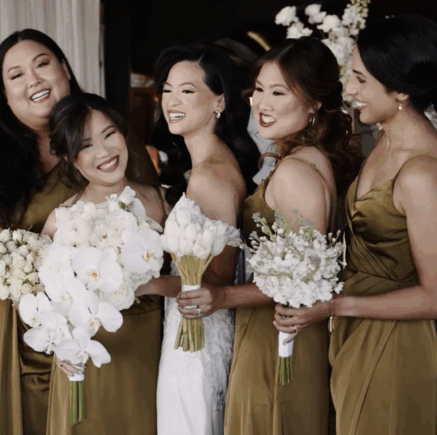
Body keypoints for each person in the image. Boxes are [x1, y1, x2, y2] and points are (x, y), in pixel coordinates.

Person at [0, 29, 157, 435]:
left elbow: (149, 218)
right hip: (14, 328)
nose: (34, 80)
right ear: (4, 94)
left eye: (42, 65)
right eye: (17, 75)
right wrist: (40, 291)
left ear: (64, 68)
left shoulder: (110, 133)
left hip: (106, 324)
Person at [275, 15, 437, 434]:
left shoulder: (422, 173)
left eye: (361, 80)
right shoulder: (384, 138)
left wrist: (334, 306)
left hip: (394, 346)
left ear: (400, 90)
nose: (349, 90)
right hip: (356, 332)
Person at [216, 37, 364, 435]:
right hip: (286, 335)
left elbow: (301, 282)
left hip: (279, 339)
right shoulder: (310, 159)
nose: (262, 104)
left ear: (313, 103)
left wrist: (219, 297)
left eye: (278, 93)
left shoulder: (296, 172)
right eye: (259, 90)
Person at [138, 45, 259, 435]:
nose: (172, 101)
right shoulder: (208, 166)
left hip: (196, 341)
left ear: (219, 101)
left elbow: (212, 282)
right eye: (167, 90)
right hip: (192, 331)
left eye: (187, 91)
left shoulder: (210, 176)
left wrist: (141, 283)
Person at [40, 92, 167, 434]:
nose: (105, 152)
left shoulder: (160, 203)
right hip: (85, 364)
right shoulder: (61, 221)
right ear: (70, 158)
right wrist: (60, 344)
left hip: (149, 356)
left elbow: (194, 284)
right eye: (87, 146)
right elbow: (46, 304)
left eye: (109, 134)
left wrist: (148, 286)